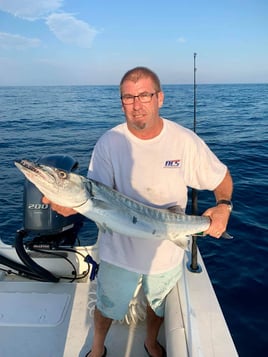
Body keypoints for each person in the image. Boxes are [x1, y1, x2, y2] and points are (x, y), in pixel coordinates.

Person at [44, 66, 233, 357]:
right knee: (106, 307)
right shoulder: (109, 142)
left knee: (157, 307)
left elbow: (222, 179)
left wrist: (222, 207)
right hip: (118, 252)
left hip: (167, 250)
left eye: (145, 95)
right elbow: (97, 198)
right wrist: (71, 208)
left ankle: (150, 342)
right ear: (121, 102)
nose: (137, 104)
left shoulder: (184, 140)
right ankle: (97, 349)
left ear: (160, 98)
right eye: (128, 97)